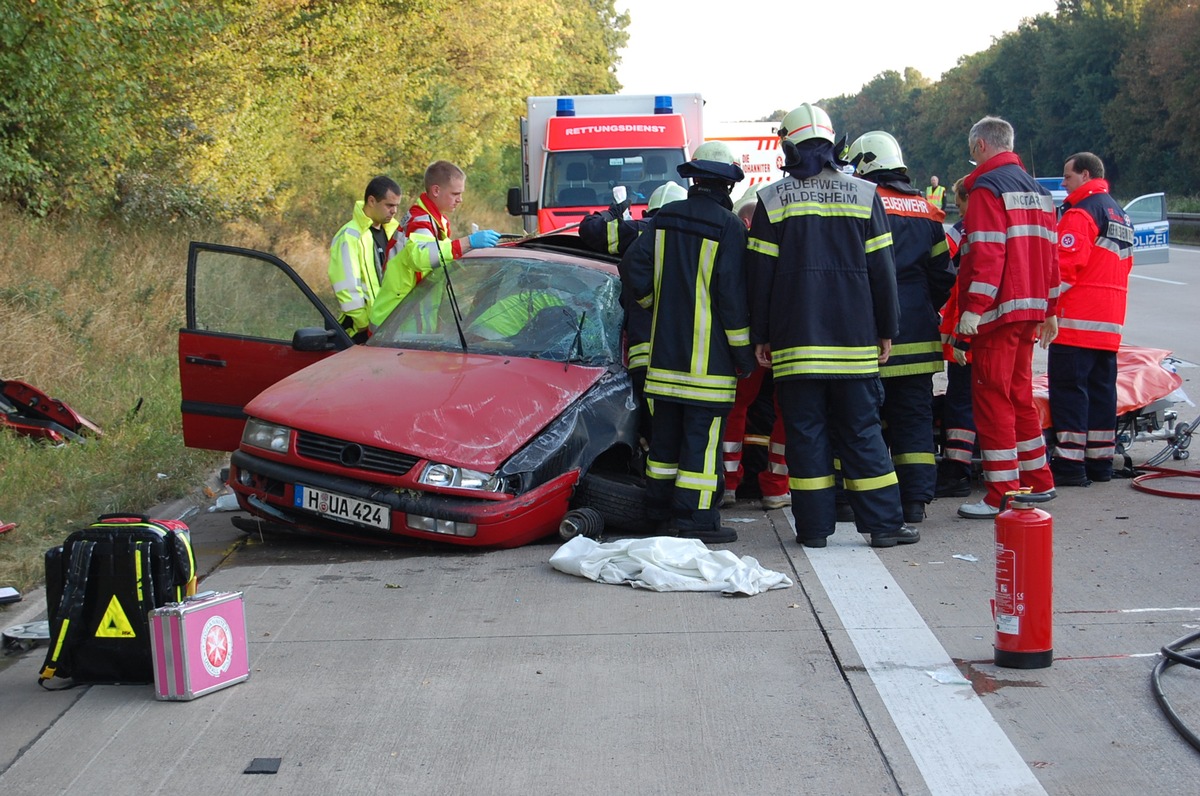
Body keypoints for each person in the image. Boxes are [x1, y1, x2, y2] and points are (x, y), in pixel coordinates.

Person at [745, 103, 917, 549]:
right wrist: (887, 330)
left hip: (795, 345)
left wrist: (760, 335)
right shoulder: (864, 194)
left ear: (790, 144)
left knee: (805, 436)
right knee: (862, 433)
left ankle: (814, 529)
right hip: (855, 342)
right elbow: (883, 271)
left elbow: (759, 277)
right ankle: (883, 525)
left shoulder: (771, 198)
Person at [622, 141, 757, 544]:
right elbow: (732, 299)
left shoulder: (664, 219)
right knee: (702, 444)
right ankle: (697, 521)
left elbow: (633, 265)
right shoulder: (729, 227)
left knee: (664, 443)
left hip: (664, 362)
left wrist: (652, 302)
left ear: (695, 178)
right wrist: (743, 355)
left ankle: (658, 512)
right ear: (726, 186)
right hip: (709, 368)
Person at [845, 131, 955, 523]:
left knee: (864, 419)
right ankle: (915, 501)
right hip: (918, 334)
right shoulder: (926, 210)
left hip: (871, 336)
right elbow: (944, 274)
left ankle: (872, 500)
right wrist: (924, 306)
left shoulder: (859, 202)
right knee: (914, 420)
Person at [954, 116, 1059, 518]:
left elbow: (986, 253)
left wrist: (972, 311)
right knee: (1019, 396)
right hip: (1030, 311)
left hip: (998, 313)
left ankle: (1004, 494)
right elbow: (1050, 257)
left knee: (992, 398)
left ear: (980, 145)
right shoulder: (1038, 190)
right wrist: (1050, 310)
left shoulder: (986, 188)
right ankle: (1038, 481)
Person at [1046, 152, 1134, 486]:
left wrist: (1046, 308)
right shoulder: (1120, 214)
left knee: (1069, 393)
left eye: (1067, 177)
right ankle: (1100, 464)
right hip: (1109, 325)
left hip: (1076, 323)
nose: (1063, 184)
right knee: (1101, 394)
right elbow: (1125, 267)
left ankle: (1069, 466)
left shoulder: (1081, 212)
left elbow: (1065, 269)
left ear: (1084, 175)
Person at [579, 181, 687, 444]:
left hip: (645, 351)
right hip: (689, 355)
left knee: (654, 432)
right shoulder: (696, 236)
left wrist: (613, 213)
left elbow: (589, 230)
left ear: (651, 211)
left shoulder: (640, 231)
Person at [722, 184, 791, 511]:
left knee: (735, 410)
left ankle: (729, 483)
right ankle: (776, 488)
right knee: (787, 411)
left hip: (748, 344)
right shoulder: (785, 246)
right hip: (785, 339)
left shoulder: (735, 252)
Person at [369, 161, 500, 331]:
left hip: (409, 319)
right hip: (395, 322)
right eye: (455, 194)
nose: (460, 199)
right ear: (436, 190)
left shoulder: (433, 220)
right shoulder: (421, 220)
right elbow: (421, 256)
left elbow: (441, 257)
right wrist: (468, 242)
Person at [935, 177, 977, 498]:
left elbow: (939, 267)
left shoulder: (962, 230)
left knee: (961, 399)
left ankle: (957, 469)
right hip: (1001, 332)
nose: (957, 208)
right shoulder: (1005, 226)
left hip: (969, 331)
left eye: (959, 202)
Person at [328, 176, 403, 343]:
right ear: (371, 201)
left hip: (392, 328)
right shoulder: (349, 236)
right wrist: (364, 324)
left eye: (396, 206)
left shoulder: (395, 233)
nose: (394, 211)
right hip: (363, 333)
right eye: (389, 205)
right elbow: (346, 286)